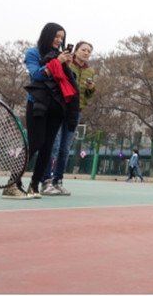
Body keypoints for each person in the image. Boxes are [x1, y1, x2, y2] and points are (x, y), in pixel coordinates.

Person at [3, 22, 78, 199]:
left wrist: (66, 66)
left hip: (57, 106)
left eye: (61, 38)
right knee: (35, 143)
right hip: (38, 104)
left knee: (47, 147)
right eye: (56, 36)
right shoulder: (33, 53)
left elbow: (68, 82)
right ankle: (12, 183)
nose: (59, 40)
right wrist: (56, 63)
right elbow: (36, 75)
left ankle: (34, 185)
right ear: (47, 35)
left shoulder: (60, 55)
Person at [41, 41, 96, 196]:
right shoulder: (67, 64)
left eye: (89, 51)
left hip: (75, 112)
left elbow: (86, 96)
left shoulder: (90, 71)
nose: (86, 53)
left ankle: (58, 181)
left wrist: (91, 89)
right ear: (76, 51)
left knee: (65, 149)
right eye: (83, 49)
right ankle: (46, 181)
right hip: (60, 109)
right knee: (54, 146)